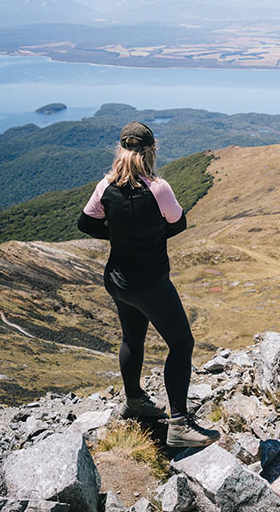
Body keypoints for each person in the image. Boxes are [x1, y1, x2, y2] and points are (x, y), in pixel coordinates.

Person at [77, 121, 220, 448]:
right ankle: (180, 424)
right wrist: (151, 234)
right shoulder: (158, 188)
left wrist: (118, 234)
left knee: (132, 338)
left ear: (121, 151)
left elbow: (85, 223)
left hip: (117, 280)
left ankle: (134, 401)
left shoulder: (105, 187)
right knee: (182, 344)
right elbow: (178, 222)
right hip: (150, 283)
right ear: (151, 151)